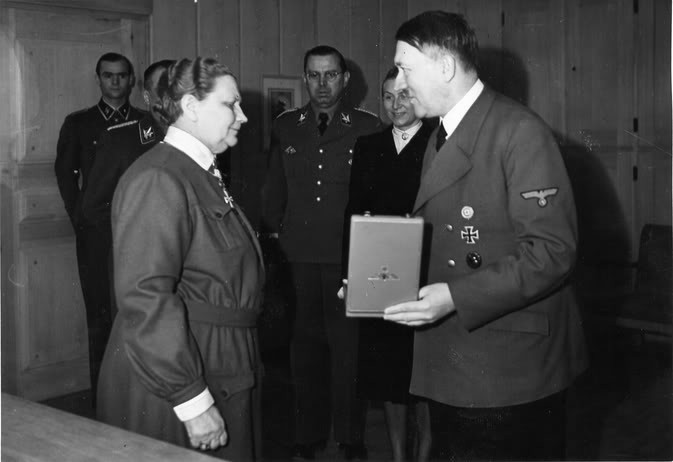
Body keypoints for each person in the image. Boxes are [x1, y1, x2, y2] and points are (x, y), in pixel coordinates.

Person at [383, 11, 589, 461]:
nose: (399, 81)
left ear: (445, 67)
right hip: (458, 360)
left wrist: (455, 297)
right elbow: (442, 237)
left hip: (508, 370)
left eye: (405, 67)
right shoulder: (443, 133)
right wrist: (377, 281)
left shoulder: (519, 132)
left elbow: (553, 252)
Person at [97, 57, 265, 461]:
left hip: (216, 356)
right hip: (181, 373)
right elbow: (145, 297)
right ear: (191, 107)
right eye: (231, 104)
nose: (242, 116)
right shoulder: (160, 177)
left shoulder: (197, 170)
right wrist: (192, 400)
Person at [261, 45, 381, 460]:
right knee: (302, 349)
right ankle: (307, 433)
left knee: (348, 352)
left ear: (346, 79)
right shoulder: (286, 125)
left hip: (348, 256)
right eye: (314, 75)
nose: (322, 84)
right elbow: (274, 188)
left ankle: (350, 436)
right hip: (297, 257)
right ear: (304, 79)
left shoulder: (367, 127)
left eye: (331, 75)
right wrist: (275, 237)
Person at [342, 67, 434, 461]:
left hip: (427, 274)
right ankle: (398, 456)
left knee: (425, 377)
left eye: (405, 96)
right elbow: (353, 211)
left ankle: (426, 454)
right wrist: (351, 272)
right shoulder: (369, 145)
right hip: (380, 275)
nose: (397, 105)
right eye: (389, 97)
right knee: (388, 376)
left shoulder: (439, 143)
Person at [54, 52, 145, 405]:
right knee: (99, 313)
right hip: (96, 232)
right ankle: (104, 400)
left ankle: (137, 398)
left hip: (139, 229)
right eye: (108, 76)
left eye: (122, 76)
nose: (116, 82)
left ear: (131, 80)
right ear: (99, 79)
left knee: (137, 308)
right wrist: (80, 216)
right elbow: (65, 175)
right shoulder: (79, 124)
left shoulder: (146, 122)